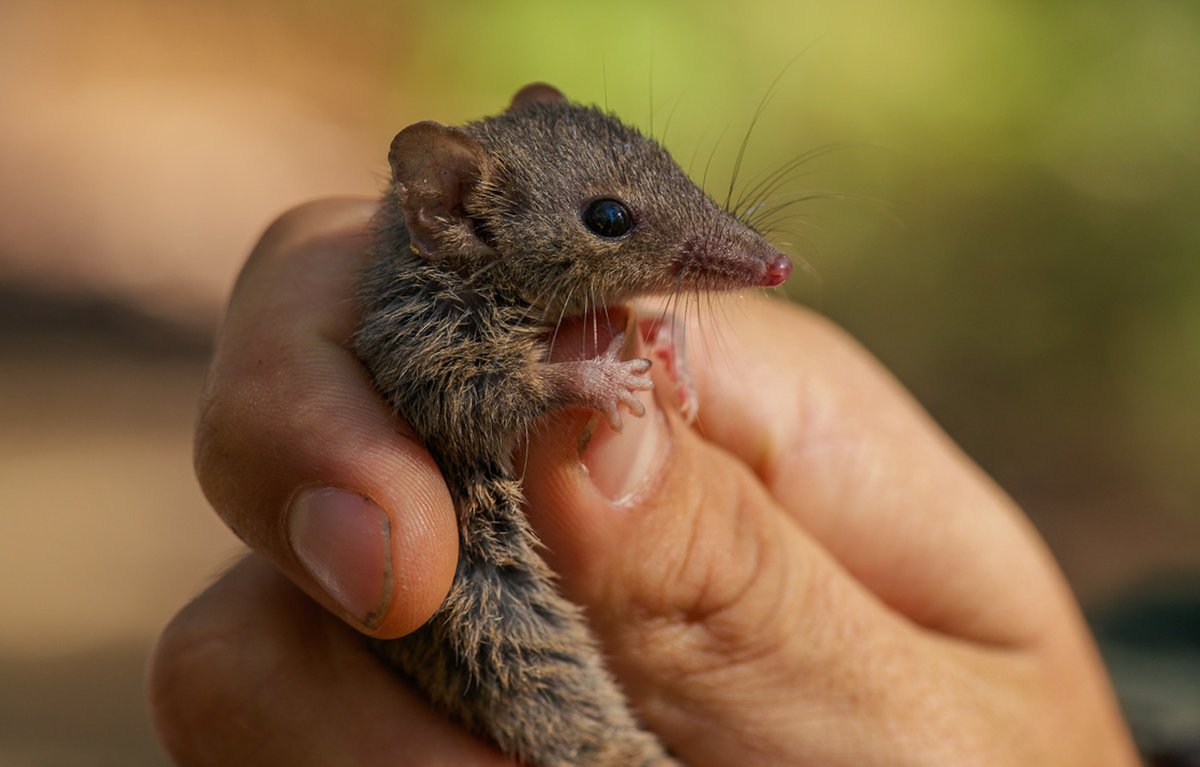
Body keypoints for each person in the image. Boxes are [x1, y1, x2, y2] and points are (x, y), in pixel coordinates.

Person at [147, 198, 1141, 766]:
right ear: (458, 212)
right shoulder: (419, 308)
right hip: (501, 652)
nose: (735, 250)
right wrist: (572, 377)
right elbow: (448, 390)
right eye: (614, 219)